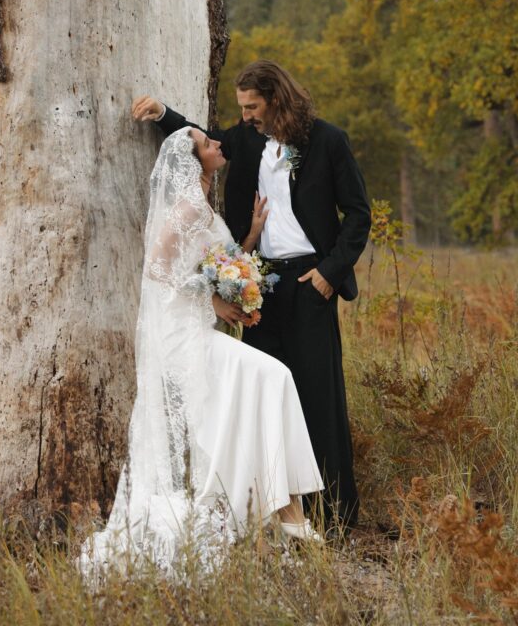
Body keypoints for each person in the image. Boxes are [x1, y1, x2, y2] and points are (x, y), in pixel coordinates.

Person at [132, 60, 371, 529]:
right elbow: (198, 140)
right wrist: (162, 113)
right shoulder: (246, 140)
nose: (244, 116)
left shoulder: (328, 142)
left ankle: (335, 516)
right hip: (258, 287)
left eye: (252, 106)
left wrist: (328, 273)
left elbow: (358, 215)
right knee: (264, 399)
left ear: (276, 100)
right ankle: (273, 515)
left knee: (316, 396)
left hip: (310, 284)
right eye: (242, 107)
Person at [78, 126, 323, 578]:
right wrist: (210, 300)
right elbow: (155, 267)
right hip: (180, 333)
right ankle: (284, 516)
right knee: (272, 376)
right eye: (208, 144)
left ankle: (281, 514)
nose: (217, 145)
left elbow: (224, 259)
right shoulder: (188, 205)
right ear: (194, 161)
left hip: (199, 328)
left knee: (264, 383)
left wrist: (251, 237)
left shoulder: (203, 205)